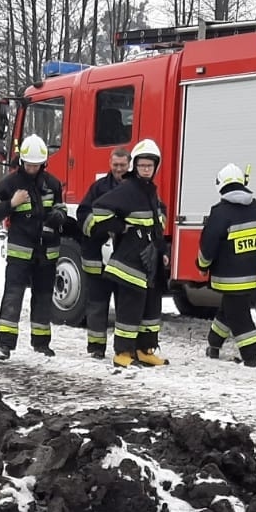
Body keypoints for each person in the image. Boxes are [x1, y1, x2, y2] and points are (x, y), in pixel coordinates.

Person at [81, 138, 169, 367]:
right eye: (142, 165)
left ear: (156, 167)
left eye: (150, 165)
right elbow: (99, 208)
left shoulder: (150, 191)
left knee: (150, 307)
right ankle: (123, 353)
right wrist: (120, 227)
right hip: (130, 260)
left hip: (149, 258)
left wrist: (163, 250)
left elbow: (156, 222)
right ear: (135, 166)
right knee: (130, 308)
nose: (146, 169)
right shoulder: (128, 188)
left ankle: (145, 349)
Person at [0, 134, 66, 360]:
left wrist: (58, 216)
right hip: (20, 252)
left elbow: (61, 208)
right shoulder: (10, 184)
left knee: (43, 298)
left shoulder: (52, 184)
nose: (32, 168)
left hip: (46, 252)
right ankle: (4, 345)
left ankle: (41, 344)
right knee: (13, 297)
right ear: (22, 161)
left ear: (43, 163)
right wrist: (12, 203)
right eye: (29, 164)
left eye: (36, 165)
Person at [196, 163, 256, 367]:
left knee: (238, 316)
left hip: (227, 279)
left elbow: (208, 246)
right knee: (228, 309)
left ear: (220, 185)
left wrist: (202, 265)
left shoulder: (219, 213)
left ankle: (251, 356)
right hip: (251, 277)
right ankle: (213, 344)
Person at [75, 147, 130, 359]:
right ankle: (96, 347)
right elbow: (83, 214)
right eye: (115, 165)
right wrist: (103, 228)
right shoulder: (98, 188)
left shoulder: (135, 189)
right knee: (97, 304)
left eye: (122, 165)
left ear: (129, 164)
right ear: (110, 163)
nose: (118, 169)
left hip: (124, 258)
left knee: (124, 306)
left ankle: (123, 349)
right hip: (97, 257)